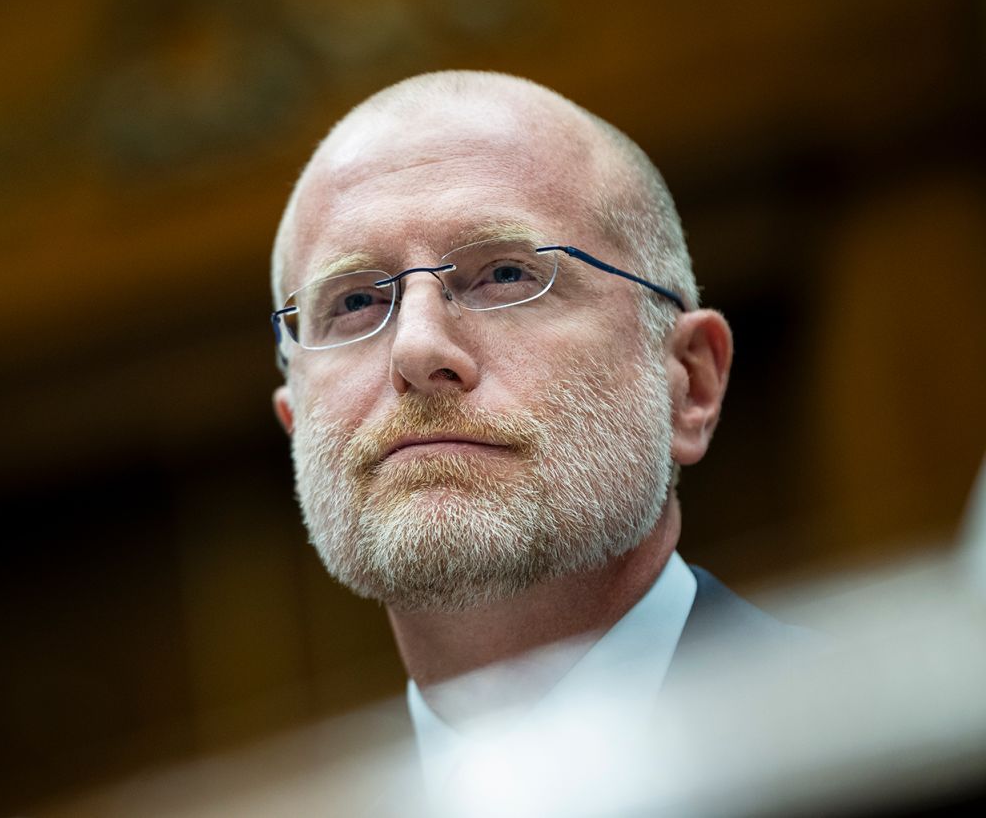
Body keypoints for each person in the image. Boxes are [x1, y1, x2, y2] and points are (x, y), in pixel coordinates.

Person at [267, 70, 790, 805]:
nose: (416, 351)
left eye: (506, 274)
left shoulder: (901, 755)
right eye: (354, 301)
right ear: (297, 429)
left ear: (689, 385)